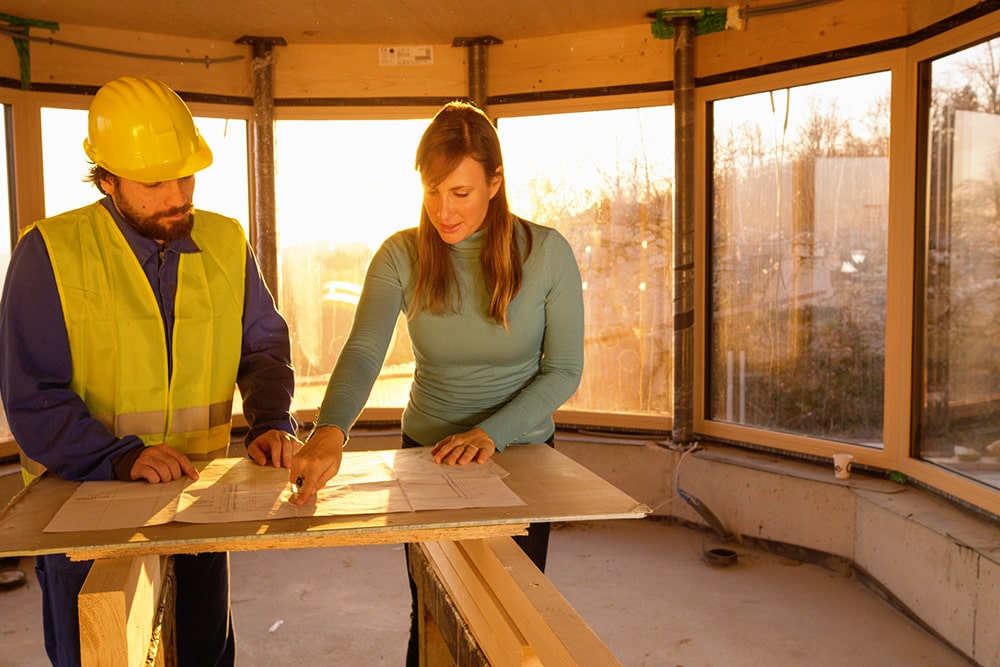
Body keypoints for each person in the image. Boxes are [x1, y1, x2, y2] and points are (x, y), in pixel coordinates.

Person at [0, 76, 299, 666]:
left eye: (185, 176)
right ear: (106, 177)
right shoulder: (49, 253)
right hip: (84, 508)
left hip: (197, 499)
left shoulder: (224, 239)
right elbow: (33, 394)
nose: (177, 195)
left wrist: (271, 420)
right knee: (100, 653)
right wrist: (120, 455)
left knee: (203, 655)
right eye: (154, 182)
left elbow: (262, 346)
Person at [289, 100, 584, 664]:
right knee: (433, 608)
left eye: (461, 193)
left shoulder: (547, 253)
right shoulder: (400, 254)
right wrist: (330, 430)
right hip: (427, 457)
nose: (443, 212)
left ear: (495, 182)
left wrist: (490, 433)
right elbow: (365, 349)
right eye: (432, 192)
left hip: (521, 454)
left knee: (513, 615)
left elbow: (563, 370)